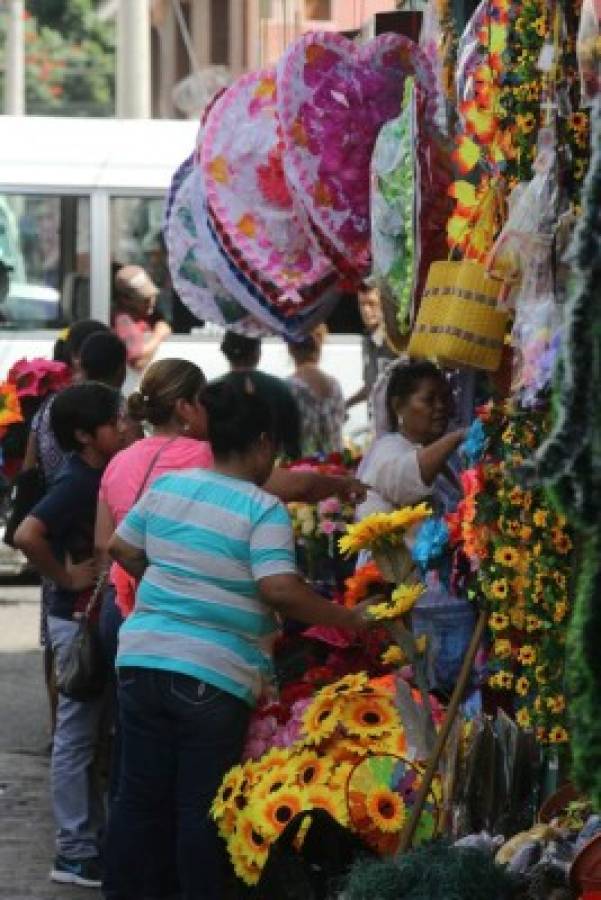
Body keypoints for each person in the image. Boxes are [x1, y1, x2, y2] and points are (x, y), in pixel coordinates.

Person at [102, 380, 372, 900]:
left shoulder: (170, 489)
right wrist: (349, 617)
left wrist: (169, 590)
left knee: (138, 801)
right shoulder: (259, 508)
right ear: (265, 443)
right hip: (210, 675)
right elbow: (280, 589)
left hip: (140, 661)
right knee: (199, 807)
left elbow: (121, 546)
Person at [14, 382, 126, 889]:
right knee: (77, 734)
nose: (124, 428)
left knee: (88, 732)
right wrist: (65, 577)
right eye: (114, 422)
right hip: (74, 620)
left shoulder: (99, 474)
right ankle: (74, 849)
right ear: (84, 435)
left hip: (87, 615)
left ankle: (86, 841)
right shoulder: (80, 481)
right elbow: (26, 534)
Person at [357, 360, 475, 698]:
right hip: (406, 601)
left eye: (445, 398)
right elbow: (407, 480)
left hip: (431, 601)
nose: (441, 407)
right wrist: (456, 437)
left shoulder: (426, 452)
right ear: (398, 406)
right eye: (429, 399)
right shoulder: (390, 448)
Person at [219, 330, 301, 459]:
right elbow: (292, 441)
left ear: (225, 353)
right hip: (274, 469)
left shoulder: (213, 390)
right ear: (257, 353)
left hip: (224, 470)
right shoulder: (279, 388)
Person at [286, 326, 346, 456]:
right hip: (334, 469)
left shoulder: (288, 388)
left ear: (290, 349)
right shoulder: (335, 386)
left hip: (301, 470)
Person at [346, 282, 397, 412]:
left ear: (384, 304)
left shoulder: (396, 342)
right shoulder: (367, 342)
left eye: (372, 304)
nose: (366, 310)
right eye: (362, 304)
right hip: (376, 423)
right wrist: (345, 405)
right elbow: (371, 387)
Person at [112, 264, 172, 374]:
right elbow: (138, 362)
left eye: (152, 295)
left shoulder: (147, 315)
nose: (151, 302)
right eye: (144, 299)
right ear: (125, 300)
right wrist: (159, 336)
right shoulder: (123, 321)